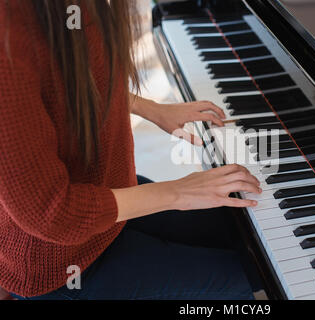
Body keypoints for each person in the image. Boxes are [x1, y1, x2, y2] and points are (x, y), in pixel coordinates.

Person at [0, 0, 262, 300]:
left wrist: (148, 107)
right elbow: (53, 214)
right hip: (60, 265)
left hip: (109, 202)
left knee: (249, 242)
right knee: (242, 281)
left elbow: (67, 82)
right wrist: (179, 192)